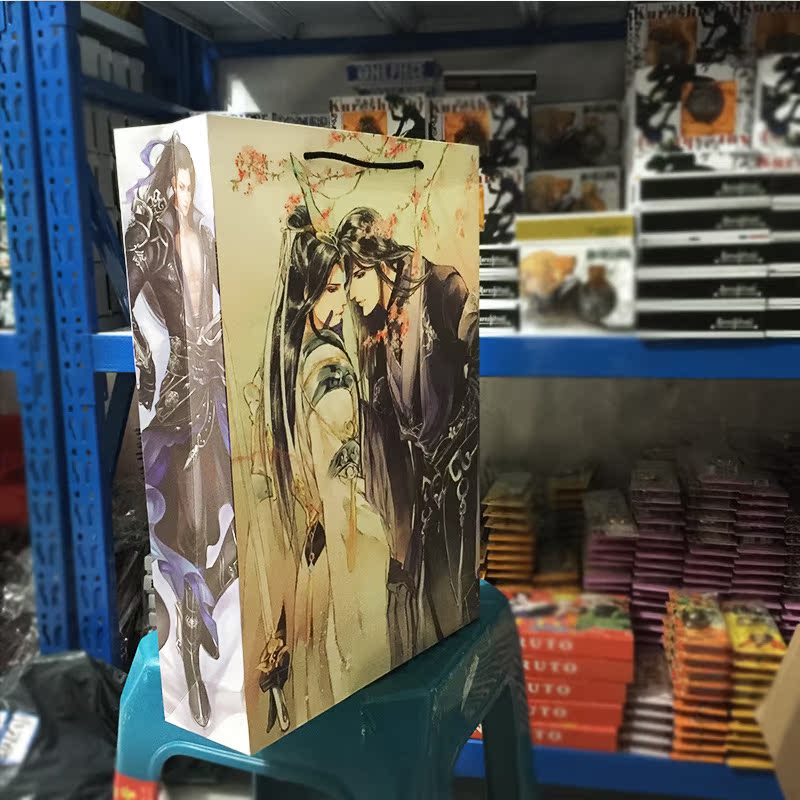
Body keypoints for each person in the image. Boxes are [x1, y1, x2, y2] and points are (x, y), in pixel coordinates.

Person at [124, 133, 237, 728]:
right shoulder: (153, 240)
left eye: (188, 183)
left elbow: (224, 301)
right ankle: (191, 652)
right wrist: (147, 360)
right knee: (184, 526)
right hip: (177, 394)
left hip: (216, 379)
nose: (182, 193)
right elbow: (134, 296)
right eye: (174, 184)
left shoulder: (208, 235)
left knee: (236, 512)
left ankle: (204, 611)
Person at [263, 206, 392, 725]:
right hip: (345, 550)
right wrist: (376, 544)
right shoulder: (328, 367)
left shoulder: (291, 358)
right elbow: (344, 492)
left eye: (344, 287)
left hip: (317, 557)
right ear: (308, 293)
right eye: (332, 289)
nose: (341, 302)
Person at [336, 207, 479, 653]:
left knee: (456, 602)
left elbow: (485, 359)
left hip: (459, 470)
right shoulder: (379, 321)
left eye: (356, 278)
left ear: (377, 264)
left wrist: (458, 437)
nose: (351, 294)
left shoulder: (441, 287)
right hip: (421, 487)